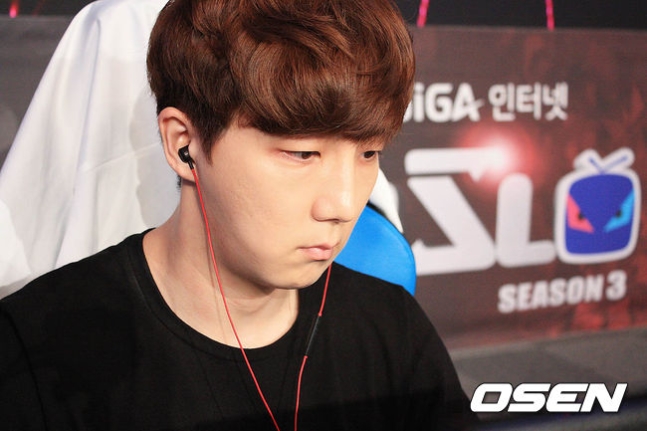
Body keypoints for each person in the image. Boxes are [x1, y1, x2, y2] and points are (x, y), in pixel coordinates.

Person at [0, 0, 477, 429]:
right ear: (184, 143)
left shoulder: (392, 329)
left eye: (369, 153)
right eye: (302, 153)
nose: (344, 204)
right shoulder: (34, 348)